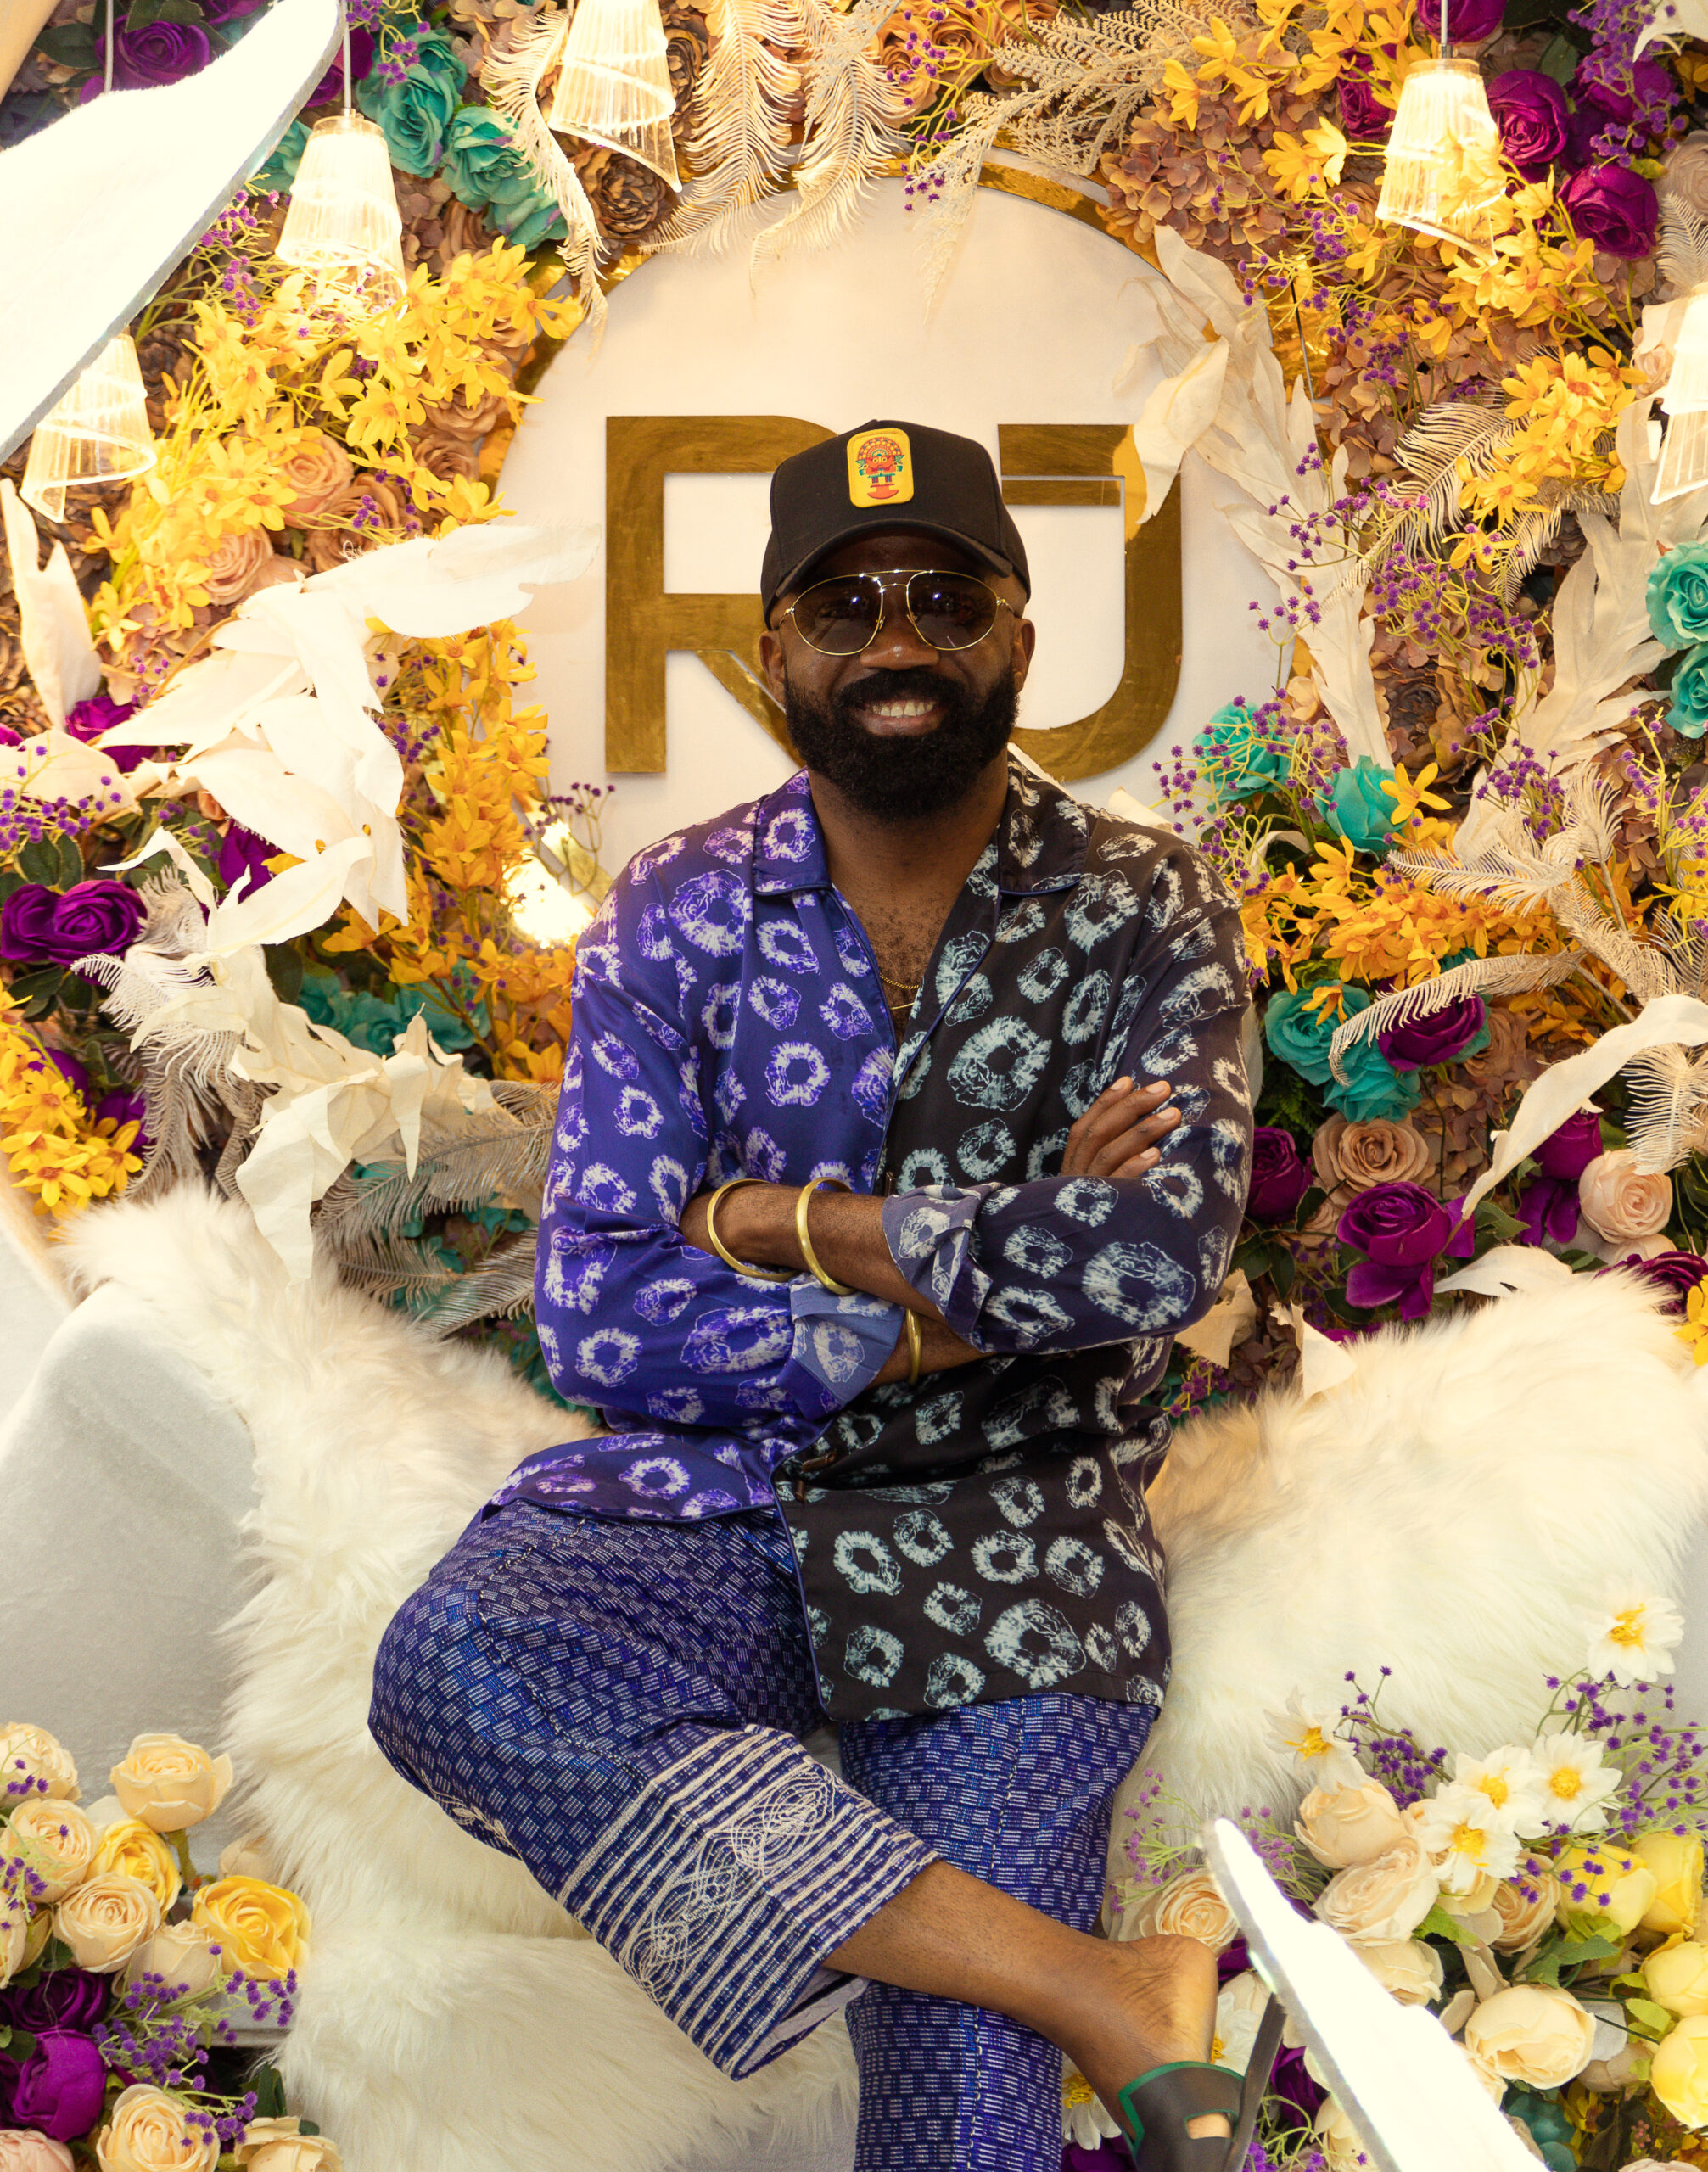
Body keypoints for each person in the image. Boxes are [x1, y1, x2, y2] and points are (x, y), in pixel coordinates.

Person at [370, 420, 1263, 2169]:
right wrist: (982, 1269)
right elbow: (596, 1313)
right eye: (843, 605)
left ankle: (1026, 1999)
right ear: (773, 647)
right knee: (459, 1660)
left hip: (1014, 1526)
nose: (895, 641)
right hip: (717, 1504)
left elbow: (1152, 1261)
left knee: (956, 2122)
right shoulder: (677, 908)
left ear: (1018, 633)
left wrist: (776, 1220)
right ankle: (1097, 1987)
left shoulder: (1145, 904)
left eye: (945, 598)